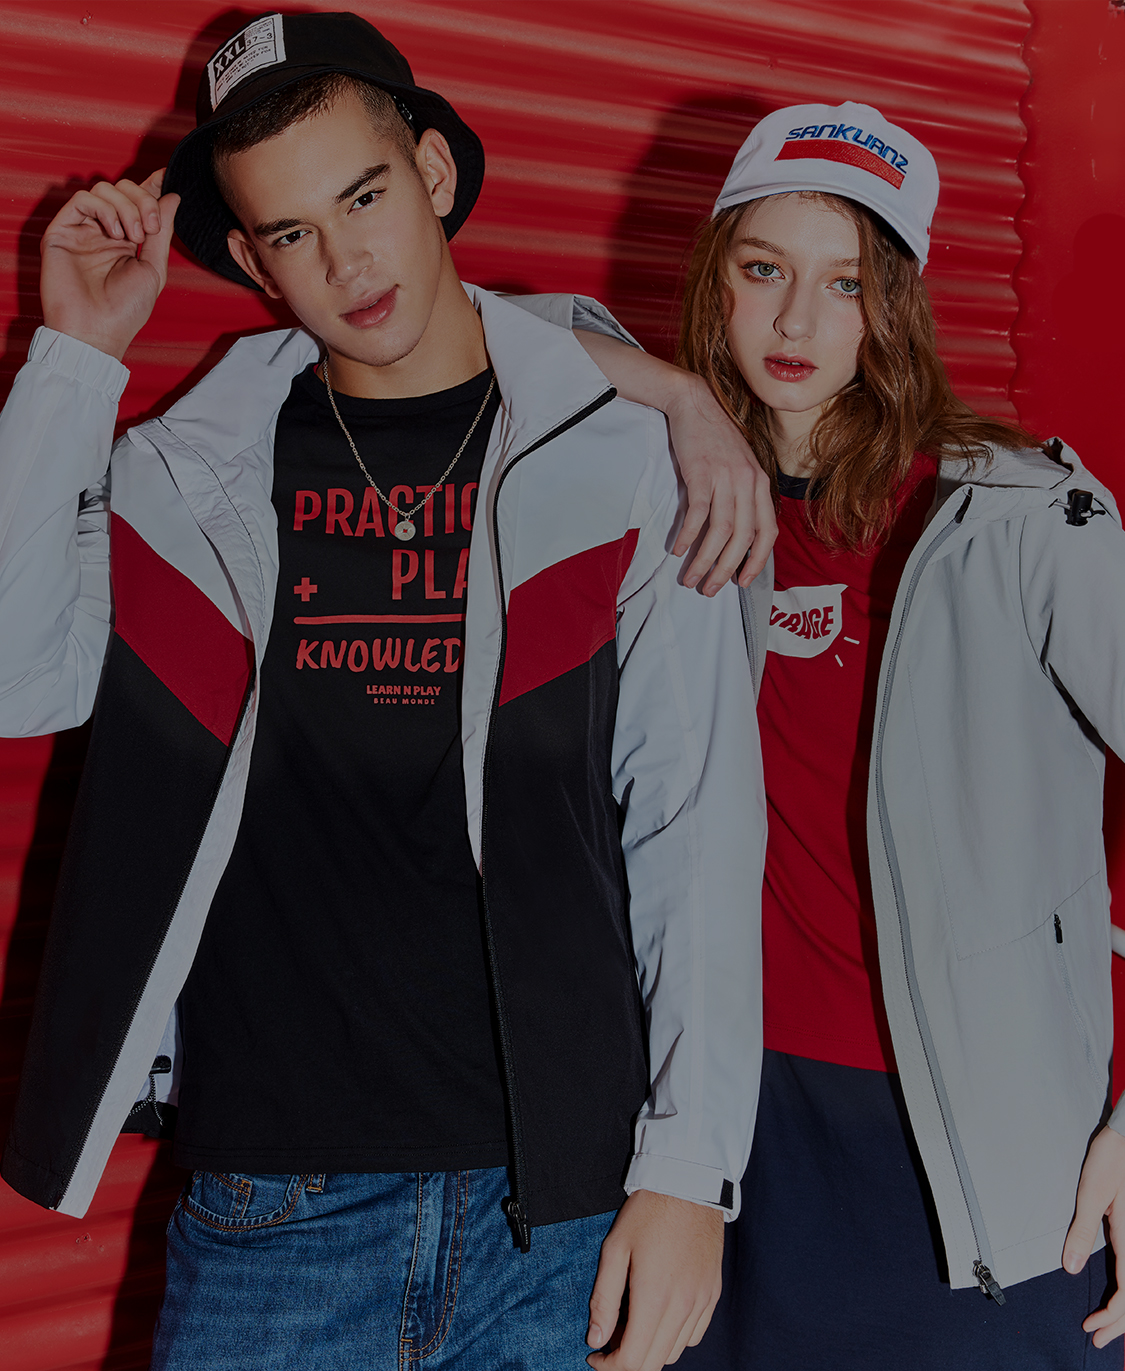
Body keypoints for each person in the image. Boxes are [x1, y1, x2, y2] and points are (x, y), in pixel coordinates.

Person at [0, 13, 774, 1369]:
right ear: (252, 261)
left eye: (363, 196)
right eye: (292, 232)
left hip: (558, 1211)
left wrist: (690, 1174)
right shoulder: (190, 482)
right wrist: (75, 358)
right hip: (273, 1216)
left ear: (433, 170)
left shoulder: (617, 466)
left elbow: (694, 824)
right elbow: (19, 681)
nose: (346, 262)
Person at [623, 99, 1125, 1368]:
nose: (796, 322)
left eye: (845, 282)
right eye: (763, 269)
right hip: (722, 1128)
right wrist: (674, 395)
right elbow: (465, 335)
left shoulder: (1015, 518)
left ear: (895, 304)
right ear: (715, 277)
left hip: (970, 1141)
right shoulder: (664, 495)